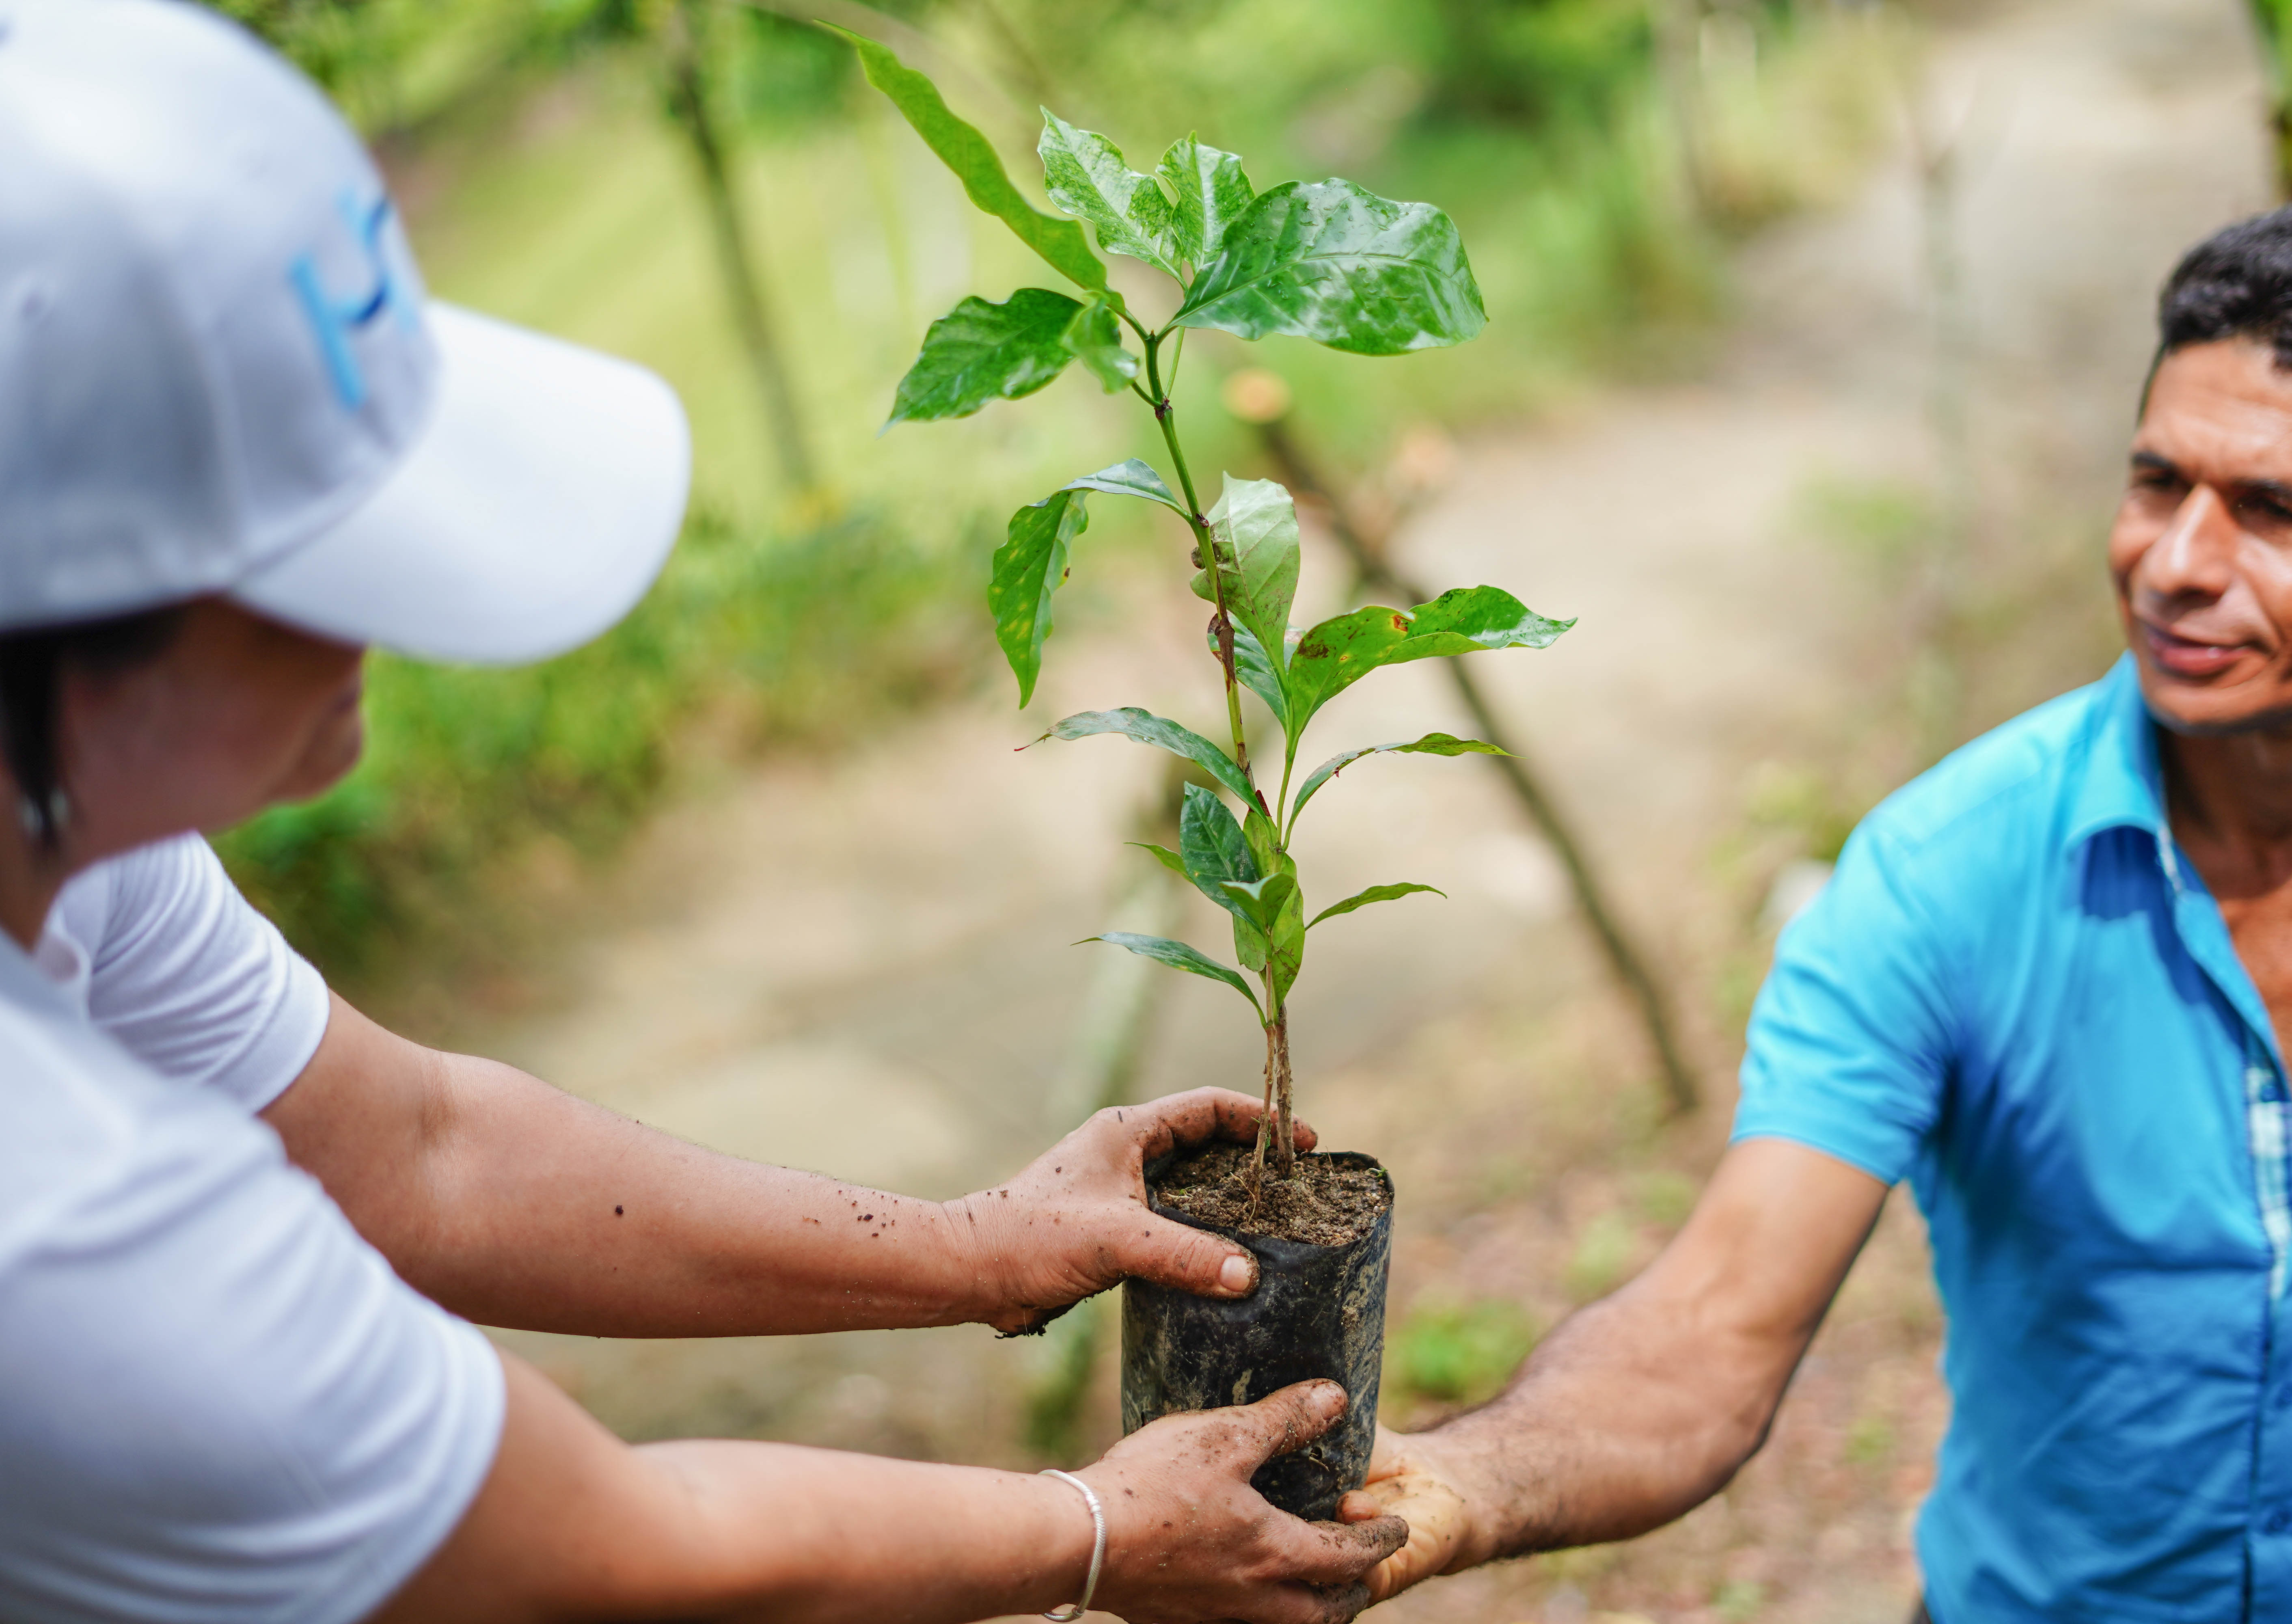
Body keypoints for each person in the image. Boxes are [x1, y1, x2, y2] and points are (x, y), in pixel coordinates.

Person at [0, 4, 1404, 1621]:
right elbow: (605, 1553)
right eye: (319, 561)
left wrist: (982, 1246)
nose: (378, 620)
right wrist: (1094, 1526)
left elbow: (419, 1152)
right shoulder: (59, 1220)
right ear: (72, 630)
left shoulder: (79, 853)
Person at [1344, 197, 2292, 1620]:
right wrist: (1449, 1486)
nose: (2177, 561)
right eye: (2159, 483)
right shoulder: (1942, 879)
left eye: (2276, 511)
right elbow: (1711, 1332)